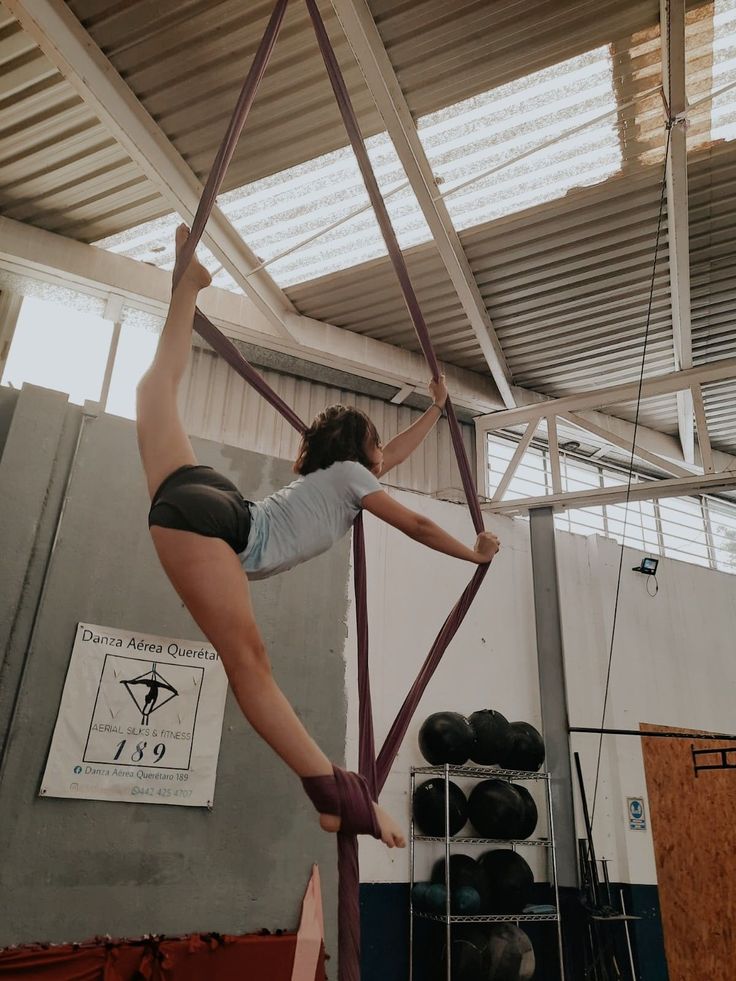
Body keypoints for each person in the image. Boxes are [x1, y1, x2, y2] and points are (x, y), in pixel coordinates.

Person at [136, 225, 500, 848]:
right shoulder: (355, 478)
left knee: (155, 389)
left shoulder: (338, 476)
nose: (383, 455)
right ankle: (335, 793)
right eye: (376, 444)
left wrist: (435, 413)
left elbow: (395, 458)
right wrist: (472, 552)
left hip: (205, 497)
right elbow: (411, 518)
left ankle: (186, 289)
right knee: (249, 665)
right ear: (361, 451)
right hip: (223, 527)